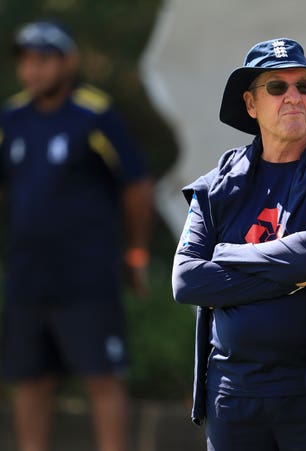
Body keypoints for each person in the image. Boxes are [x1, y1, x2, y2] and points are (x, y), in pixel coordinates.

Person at [171, 38, 306, 451]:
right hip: (232, 395)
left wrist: (225, 256)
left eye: (304, 86)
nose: (293, 97)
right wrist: (291, 275)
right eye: (276, 87)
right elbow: (186, 280)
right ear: (251, 105)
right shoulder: (218, 184)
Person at [0, 20, 154, 451]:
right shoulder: (11, 117)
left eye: (44, 60)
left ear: (67, 62)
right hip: (27, 276)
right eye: (27, 61)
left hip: (86, 276)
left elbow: (137, 183)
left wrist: (136, 250)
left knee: (102, 376)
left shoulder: (93, 113)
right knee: (29, 380)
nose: (33, 70)